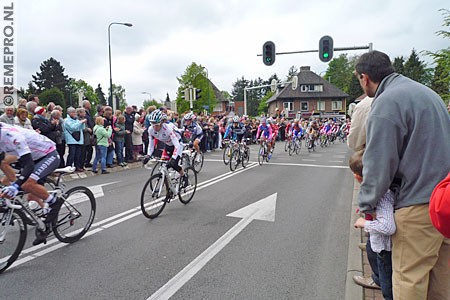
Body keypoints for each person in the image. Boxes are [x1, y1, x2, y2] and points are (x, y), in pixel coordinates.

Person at [355, 50, 450, 300]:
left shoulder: (386, 103)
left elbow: (379, 162)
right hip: (445, 201)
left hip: (417, 204)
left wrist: (367, 204)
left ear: (365, 78)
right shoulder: (428, 94)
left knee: (409, 280)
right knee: (441, 280)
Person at [0, 122, 62, 245]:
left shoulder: (12, 136)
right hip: (30, 154)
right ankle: (17, 189)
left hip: (47, 154)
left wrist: (16, 185)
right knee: (4, 165)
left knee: (26, 183)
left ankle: (53, 201)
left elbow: (28, 165)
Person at [351, 149, 395, 300]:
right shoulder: (381, 189)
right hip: (382, 247)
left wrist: (364, 223)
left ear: (357, 177)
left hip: (384, 249)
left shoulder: (382, 195)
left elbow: (388, 227)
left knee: (388, 288)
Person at [144, 110, 187, 184]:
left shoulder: (167, 128)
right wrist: (148, 155)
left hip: (178, 145)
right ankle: (168, 190)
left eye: (156, 124)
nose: (154, 127)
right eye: (152, 124)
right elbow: (151, 144)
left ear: (161, 123)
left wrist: (173, 158)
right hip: (167, 145)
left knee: (174, 164)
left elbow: (176, 144)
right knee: (163, 168)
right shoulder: (150, 130)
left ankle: (184, 176)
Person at [64, 107, 86, 172]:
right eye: (73, 112)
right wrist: (80, 122)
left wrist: (82, 123)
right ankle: (68, 166)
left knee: (78, 154)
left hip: (79, 139)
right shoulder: (67, 120)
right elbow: (72, 127)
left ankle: (77, 166)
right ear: (69, 113)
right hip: (71, 140)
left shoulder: (76, 120)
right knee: (72, 154)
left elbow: (82, 128)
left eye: (75, 112)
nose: (75, 114)